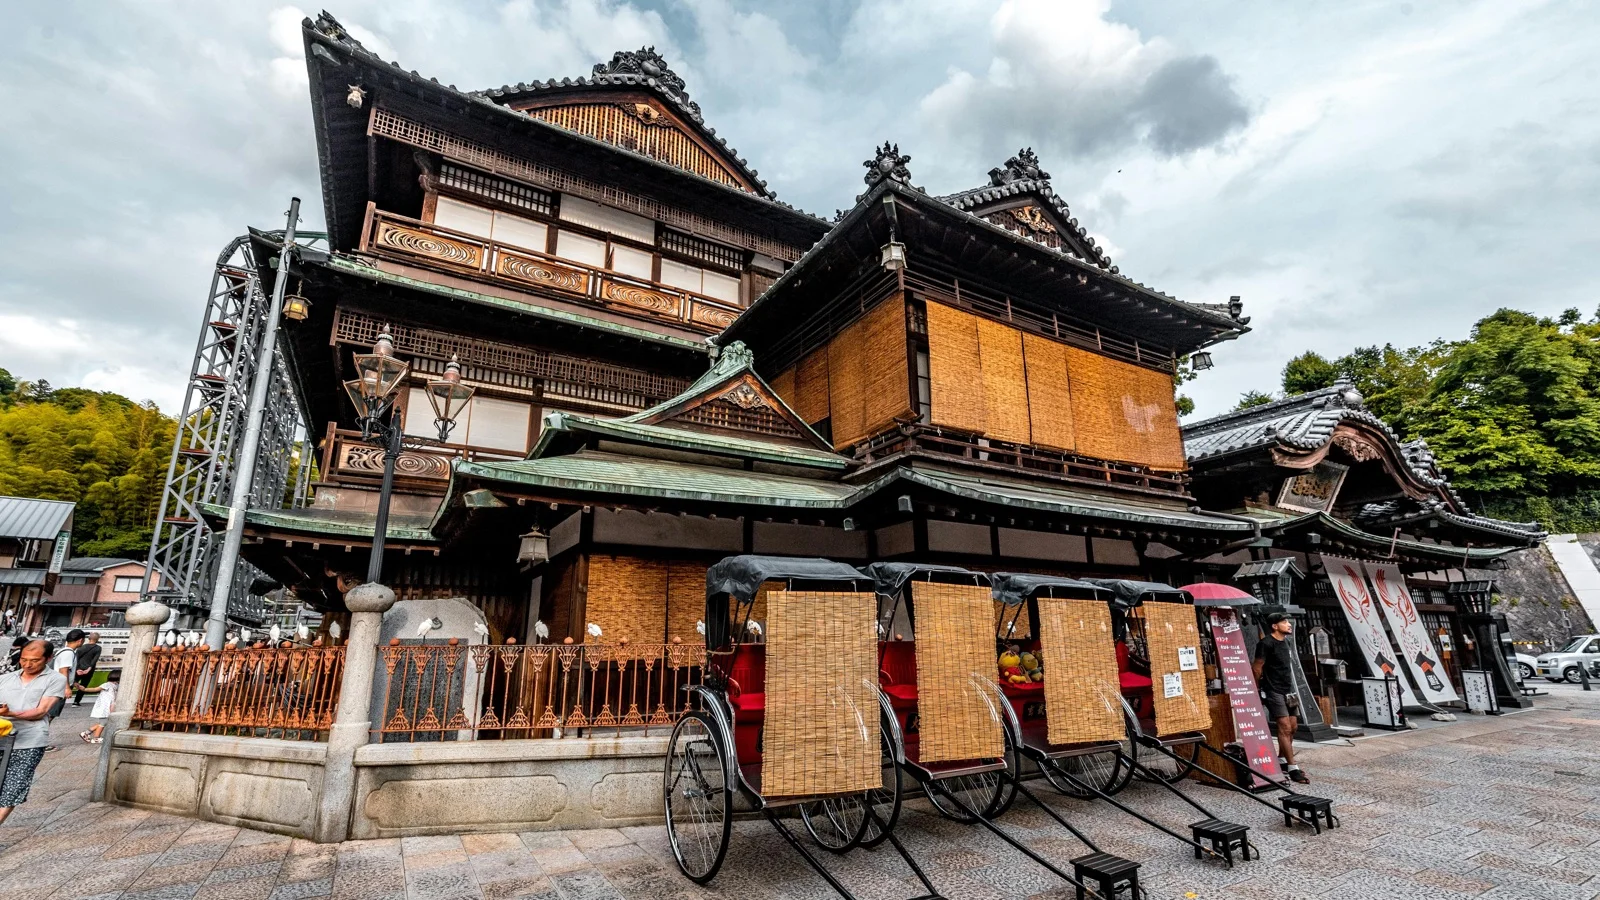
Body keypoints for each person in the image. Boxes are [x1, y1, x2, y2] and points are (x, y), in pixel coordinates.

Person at [0, 640, 70, 823]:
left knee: (12, 788)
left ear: (48, 658)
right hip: (2, 736)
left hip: (29, 741)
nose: (27, 664)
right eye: (24, 659)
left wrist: (11, 713)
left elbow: (41, 711)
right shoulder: (5, 678)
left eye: (34, 660)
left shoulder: (56, 679)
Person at [1252, 611, 1310, 784]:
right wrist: (1257, 688)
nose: (1289, 624)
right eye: (1285, 622)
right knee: (1284, 727)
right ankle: (1293, 768)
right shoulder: (1266, 643)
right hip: (1273, 690)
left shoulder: (1286, 642)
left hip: (1288, 689)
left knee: (1293, 727)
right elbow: (1257, 667)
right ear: (1275, 626)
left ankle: (1282, 760)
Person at [81, 668, 119, 744]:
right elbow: (95, 689)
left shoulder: (116, 685)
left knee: (104, 722)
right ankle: (96, 737)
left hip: (108, 707)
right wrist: (85, 689)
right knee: (103, 723)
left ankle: (86, 733)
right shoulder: (107, 684)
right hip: (104, 707)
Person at [71, 632, 102, 706]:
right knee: (83, 685)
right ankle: (76, 702)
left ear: (89, 638)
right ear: (97, 639)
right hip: (89, 670)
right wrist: (88, 669)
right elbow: (94, 660)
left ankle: (63, 698)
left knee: (72, 683)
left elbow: (77, 658)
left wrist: (77, 669)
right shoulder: (98, 648)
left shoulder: (81, 647)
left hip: (78, 669)